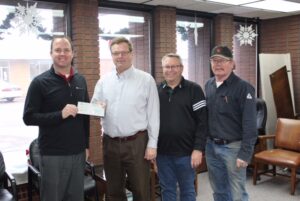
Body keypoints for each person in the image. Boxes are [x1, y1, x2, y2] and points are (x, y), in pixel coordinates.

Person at [91, 37, 160, 201]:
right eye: (116, 53)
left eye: (123, 52)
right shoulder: (104, 81)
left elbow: (153, 114)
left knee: (140, 190)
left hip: (137, 143)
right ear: (112, 56)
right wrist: (93, 109)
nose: (120, 56)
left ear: (131, 54)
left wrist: (152, 144)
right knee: (114, 191)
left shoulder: (145, 80)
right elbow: (95, 109)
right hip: (110, 143)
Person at [23, 36, 90, 201]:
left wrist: (86, 145)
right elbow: (28, 117)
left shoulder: (81, 80)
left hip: (77, 152)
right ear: (51, 53)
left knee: (76, 197)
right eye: (58, 50)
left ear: (73, 53)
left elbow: (85, 116)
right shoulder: (39, 83)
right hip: (53, 154)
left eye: (66, 50)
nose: (62, 54)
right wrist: (60, 114)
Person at [205, 45, 257, 201]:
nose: (218, 64)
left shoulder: (243, 87)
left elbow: (250, 123)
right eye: (214, 60)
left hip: (233, 148)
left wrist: (245, 153)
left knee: (237, 193)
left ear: (232, 64)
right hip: (211, 147)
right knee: (218, 190)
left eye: (223, 60)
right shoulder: (209, 85)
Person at [156, 53, 208, 201]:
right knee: (167, 189)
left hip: (186, 153)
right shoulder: (156, 90)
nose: (170, 70)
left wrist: (198, 149)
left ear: (181, 68)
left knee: (187, 190)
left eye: (174, 66)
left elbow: (202, 122)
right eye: (167, 66)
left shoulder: (194, 89)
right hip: (162, 153)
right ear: (163, 68)